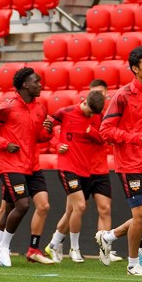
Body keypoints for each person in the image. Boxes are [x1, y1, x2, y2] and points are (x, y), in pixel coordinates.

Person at [96, 46, 142, 276]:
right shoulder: (123, 95)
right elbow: (105, 130)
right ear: (135, 68)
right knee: (140, 216)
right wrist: (133, 138)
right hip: (130, 164)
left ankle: (108, 237)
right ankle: (132, 264)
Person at [0, 67, 54, 267]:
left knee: (22, 206)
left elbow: (39, 137)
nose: (40, 85)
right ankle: (3, 247)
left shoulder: (40, 108)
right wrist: (5, 144)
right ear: (25, 84)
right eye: (36, 81)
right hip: (11, 165)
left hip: (32, 165)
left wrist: (48, 132)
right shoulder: (8, 106)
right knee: (23, 205)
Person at [44, 89, 106, 263]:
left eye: (94, 113)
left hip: (85, 169)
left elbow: (103, 139)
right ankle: (75, 249)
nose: (91, 115)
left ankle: (53, 244)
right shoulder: (66, 112)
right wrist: (57, 144)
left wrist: (91, 131)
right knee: (80, 206)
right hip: (67, 167)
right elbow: (45, 127)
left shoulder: (97, 117)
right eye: (90, 111)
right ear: (84, 102)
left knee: (71, 210)